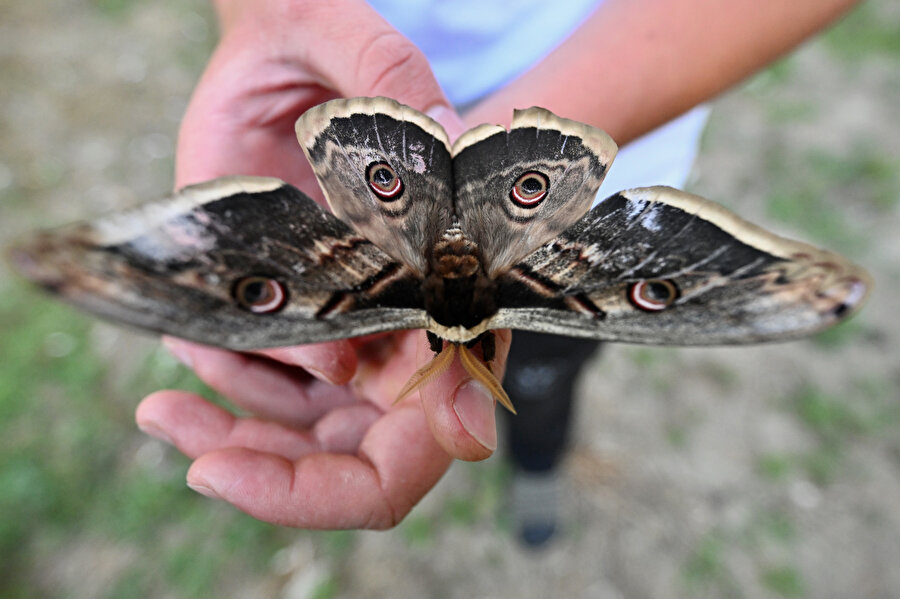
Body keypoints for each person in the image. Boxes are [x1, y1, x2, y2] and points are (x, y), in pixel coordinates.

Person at [135, 0, 862, 536]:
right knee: (498, 372)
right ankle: (535, 451)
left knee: (536, 383)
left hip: (557, 143)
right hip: (360, 116)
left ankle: (537, 463)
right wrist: (269, 19)